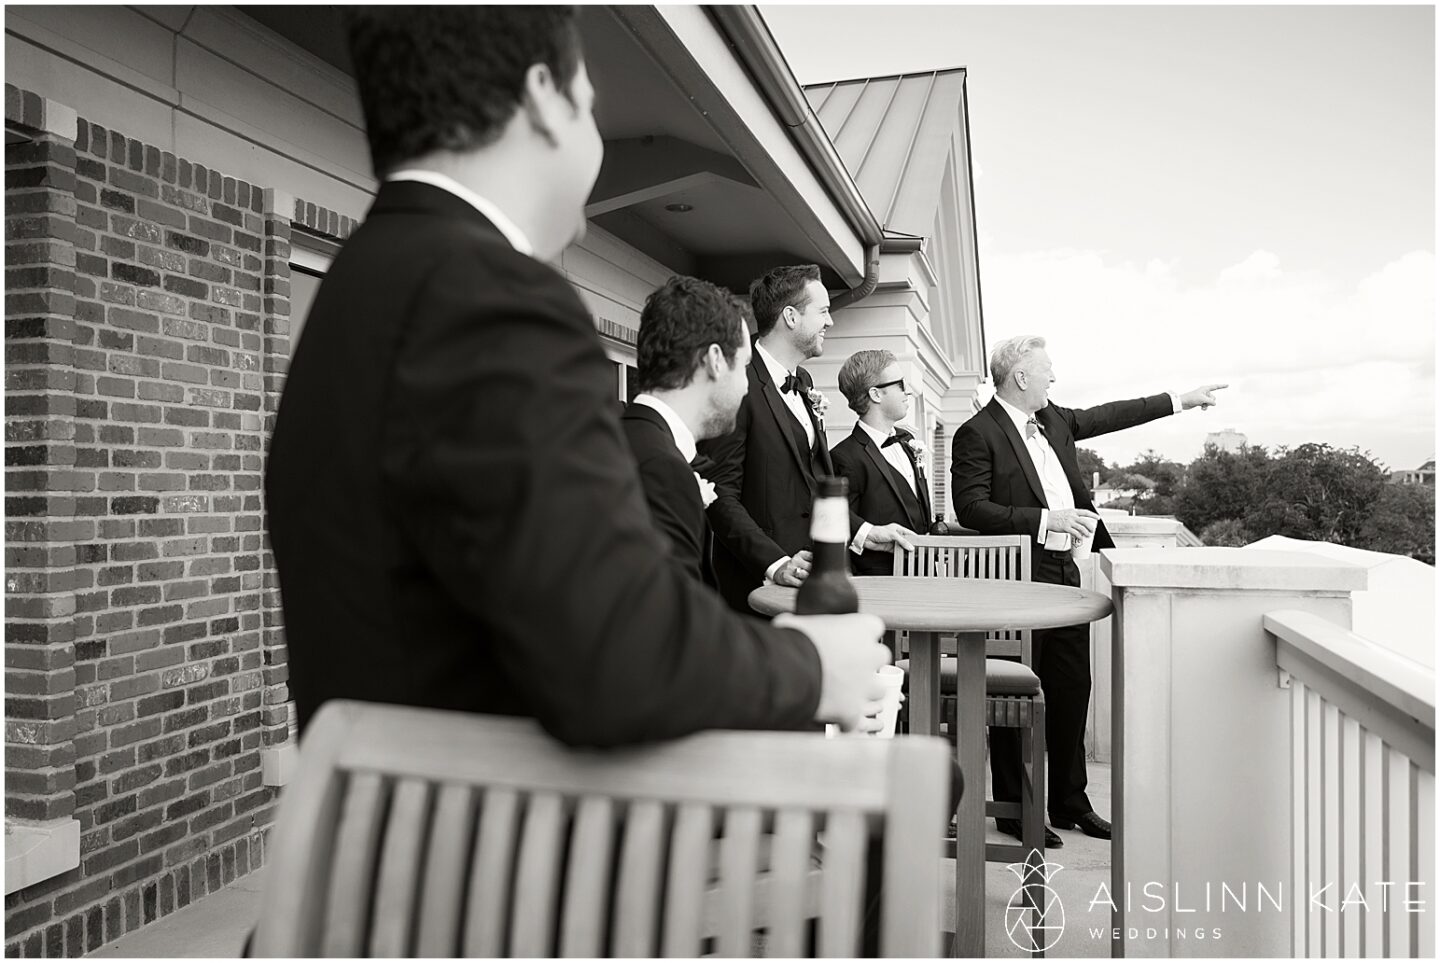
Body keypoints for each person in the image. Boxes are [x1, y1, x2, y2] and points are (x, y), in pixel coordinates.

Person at [264, 7, 891, 747]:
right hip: (498, 808)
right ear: (542, 96)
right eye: (589, 107)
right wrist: (813, 669)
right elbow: (618, 652)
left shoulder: (356, 286)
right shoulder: (495, 298)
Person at [951, 334, 1226, 844]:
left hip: (1066, 573)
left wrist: (1180, 401)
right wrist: (1045, 519)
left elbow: (1112, 414)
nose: (1054, 378)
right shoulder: (977, 433)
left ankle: (1069, 802)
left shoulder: (1055, 419)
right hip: (1016, 580)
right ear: (1021, 377)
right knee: (1015, 689)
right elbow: (970, 507)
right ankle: (1014, 808)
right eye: (1047, 370)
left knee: (1072, 686)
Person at [700, 264, 915, 613]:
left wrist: (865, 532)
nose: (830, 322)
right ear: (790, 316)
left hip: (814, 584)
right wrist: (775, 564)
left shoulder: (804, 383)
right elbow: (720, 494)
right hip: (758, 591)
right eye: (823, 311)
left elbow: (810, 483)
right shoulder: (736, 382)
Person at [621, 276, 751, 585]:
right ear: (716, 360)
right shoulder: (662, 469)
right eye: (744, 365)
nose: (746, 386)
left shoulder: (625, 438)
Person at [830, 350, 928, 577]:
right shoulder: (844, 457)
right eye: (900, 384)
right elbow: (837, 522)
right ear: (875, 394)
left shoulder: (907, 441)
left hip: (924, 573)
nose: (908, 391)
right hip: (879, 580)